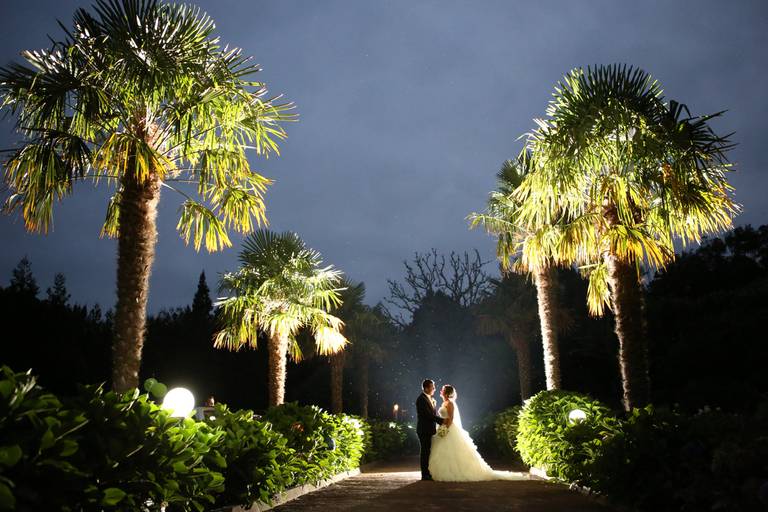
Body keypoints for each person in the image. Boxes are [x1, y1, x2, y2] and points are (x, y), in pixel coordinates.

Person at [428, 384, 526, 481]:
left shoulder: (450, 403)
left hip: (448, 429)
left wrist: (444, 429)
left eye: (443, 389)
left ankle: (454, 472)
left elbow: (451, 419)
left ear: (446, 393)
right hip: (443, 427)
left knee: (451, 451)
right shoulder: (444, 403)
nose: (441, 390)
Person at [415, 379, 444, 480]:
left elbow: (432, 414)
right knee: (425, 452)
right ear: (426, 388)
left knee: (427, 451)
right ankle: (425, 474)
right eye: (432, 387)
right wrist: (442, 421)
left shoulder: (429, 398)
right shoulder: (421, 399)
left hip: (429, 429)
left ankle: (427, 473)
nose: (434, 389)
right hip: (424, 430)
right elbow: (428, 415)